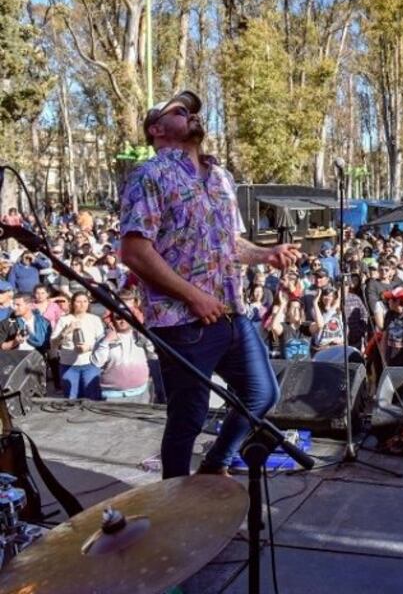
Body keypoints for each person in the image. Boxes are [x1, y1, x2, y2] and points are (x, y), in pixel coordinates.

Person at [120, 89, 299, 478]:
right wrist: (195, 297)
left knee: (261, 394)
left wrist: (265, 254)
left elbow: (230, 243)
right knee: (188, 418)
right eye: (180, 110)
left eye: (195, 111)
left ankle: (216, 463)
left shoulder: (221, 177)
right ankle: (175, 505)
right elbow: (134, 252)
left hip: (232, 311)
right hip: (181, 322)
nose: (192, 114)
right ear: (156, 129)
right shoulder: (148, 176)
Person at [90, 309, 155, 403]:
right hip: (113, 396)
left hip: (141, 393)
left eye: (126, 317)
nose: (123, 320)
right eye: (118, 317)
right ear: (112, 319)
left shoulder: (140, 336)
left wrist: (147, 340)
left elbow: (153, 356)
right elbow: (97, 362)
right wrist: (106, 341)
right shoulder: (104, 337)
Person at [50, 292, 105, 399]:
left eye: (85, 301)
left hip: (90, 364)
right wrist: (65, 331)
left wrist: (88, 348)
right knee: (71, 397)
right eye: (78, 301)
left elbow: (102, 343)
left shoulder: (95, 319)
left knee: (92, 397)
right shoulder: (64, 320)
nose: (82, 304)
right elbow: (53, 344)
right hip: (68, 365)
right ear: (72, 303)